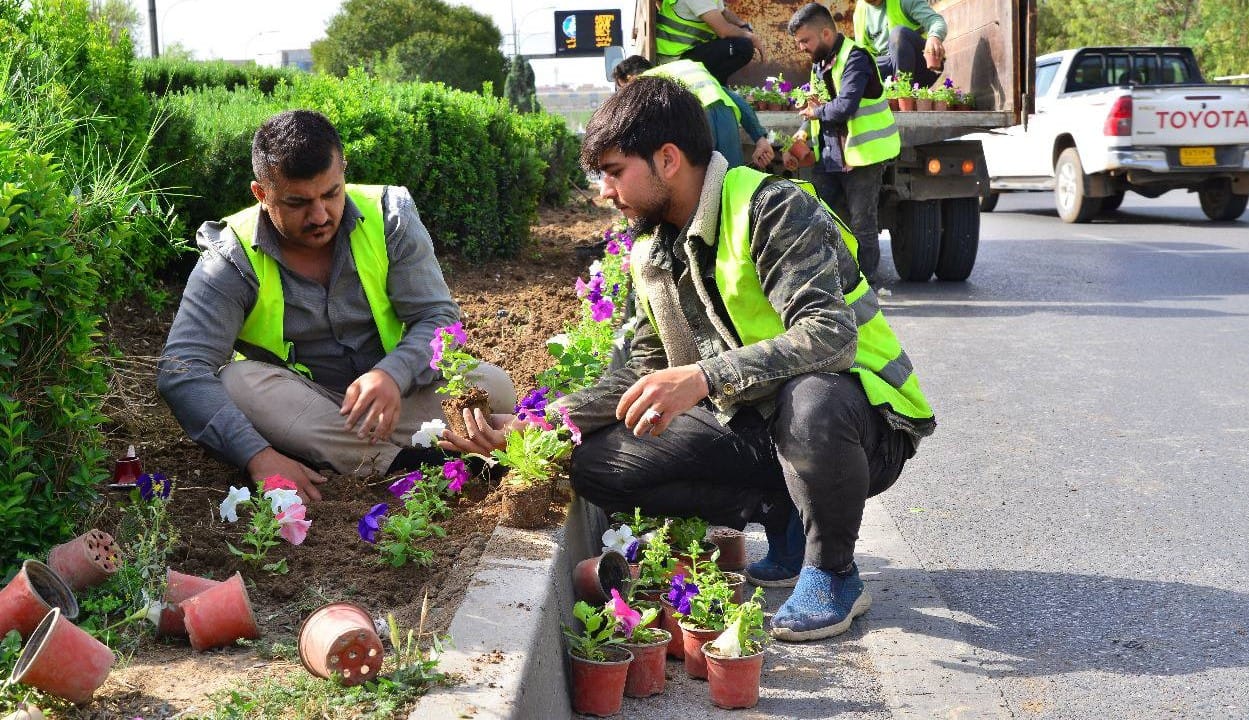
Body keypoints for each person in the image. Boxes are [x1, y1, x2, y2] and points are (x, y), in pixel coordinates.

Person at [441, 76, 935, 642]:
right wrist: (545, 424)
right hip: (756, 421)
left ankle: (834, 573)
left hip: (862, 424)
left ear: (668, 159)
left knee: (812, 399)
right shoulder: (652, 248)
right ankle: (783, 513)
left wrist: (703, 376)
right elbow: (638, 369)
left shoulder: (771, 208)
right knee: (595, 462)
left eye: (613, 171)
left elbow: (830, 335)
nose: (604, 191)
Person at [158, 109, 516, 503]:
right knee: (237, 383)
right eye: (297, 203)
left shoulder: (389, 215)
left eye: (331, 193)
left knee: (494, 386)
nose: (320, 215)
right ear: (261, 194)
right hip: (305, 407)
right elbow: (182, 368)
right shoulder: (231, 256)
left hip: (398, 399)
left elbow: (438, 317)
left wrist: (392, 375)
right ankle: (414, 461)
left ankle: (371, 452)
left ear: (343, 169)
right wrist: (258, 456)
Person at [787, 2, 900, 279]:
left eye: (805, 41)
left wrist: (815, 112)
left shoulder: (856, 58)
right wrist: (802, 132)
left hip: (862, 158)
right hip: (829, 158)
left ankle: (867, 287)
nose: (801, 47)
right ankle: (829, 282)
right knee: (818, 221)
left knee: (862, 225)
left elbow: (844, 106)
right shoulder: (820, 63)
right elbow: (816, 107)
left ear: (826, 34)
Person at [612, 55, 774, 170]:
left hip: (697, 119)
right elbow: (737, 100)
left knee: (701, 187)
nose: (628, 93)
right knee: (734, 179)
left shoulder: (646, 81)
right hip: (726, 114)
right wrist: (760, 138)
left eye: (625, 87)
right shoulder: (688, 66)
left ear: (631, 78)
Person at [655, 0, 765, 86]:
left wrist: (742, 25)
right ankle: (708, 87)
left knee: (738, 43)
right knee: (743, 47)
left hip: (686, 50)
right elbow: (723, 30)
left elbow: (723, 12)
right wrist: (752, 38)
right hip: (675, 59)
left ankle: (715, 85)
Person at [852, 0, 947, 90]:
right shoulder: (860, 12)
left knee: (898, 34)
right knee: (856, 63)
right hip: (887, 66)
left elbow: (936, 21)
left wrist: (934, 37)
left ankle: (903, 93)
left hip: (919, 64)